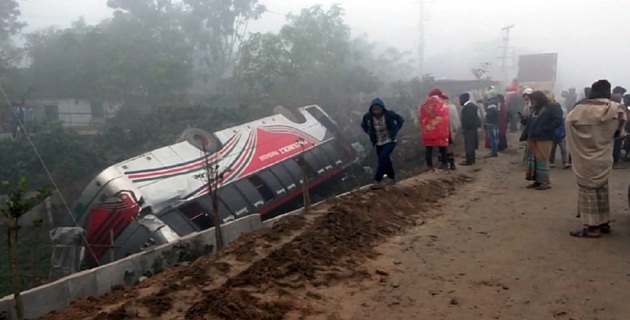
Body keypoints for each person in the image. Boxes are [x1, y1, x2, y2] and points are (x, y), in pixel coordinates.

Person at [566, 80, 627, 238]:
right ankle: (603, 222)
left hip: (585, 158)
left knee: (588, 191)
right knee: (602, 189)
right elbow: (620, 132)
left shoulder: (579, 110)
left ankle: (592, 228)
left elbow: (569, 126)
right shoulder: (617, 110)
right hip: (604, 156)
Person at [519, 90, 563, 190]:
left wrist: (546, 128)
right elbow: (531, 122)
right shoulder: (535, 108)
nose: (532, 101)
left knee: (542, 160)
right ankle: (537, 181)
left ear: (539, 99)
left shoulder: (552, 106)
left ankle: (545, 182)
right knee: (534, 161)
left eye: (533, 99)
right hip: (533, 138)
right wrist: (524, 120)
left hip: (544, 138)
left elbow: (558, 120)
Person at [361, 97, 405, 190]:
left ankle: (378, 180)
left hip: (390, 141)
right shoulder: (368, 117)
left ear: (382, 108)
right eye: (374, 110)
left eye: (378, 109)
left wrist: (395, 130)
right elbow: (363, 125)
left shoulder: (389, 114)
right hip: (378, 142)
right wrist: (369, 132)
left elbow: (400, 120)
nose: (376, 111)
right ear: (371, 110)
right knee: (386, 161)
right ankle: (393, 178)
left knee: (382, 158)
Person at [419, 88, 450, 170]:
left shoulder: (423, 105)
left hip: (428, 130)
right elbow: (445, 118)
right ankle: (445, 165)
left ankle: (429, 166)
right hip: (440, 131)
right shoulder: (442, 105)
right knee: (442, 148)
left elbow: (421, 118)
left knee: (428, 148)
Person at [547, 92, 569, 169]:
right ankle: (560, 162)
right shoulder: (550, 110)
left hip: (557, 132)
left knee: (557, 148)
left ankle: (562, 162)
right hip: (556, 132)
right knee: (558, 148)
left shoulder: (551, 110)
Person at [459, 92, 481, 165]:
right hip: (472, 128)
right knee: (471, 144)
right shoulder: (472, 106)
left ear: (464, 99)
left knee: (469, 144)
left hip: (469, 129)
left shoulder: (468, 107)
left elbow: (468, 119)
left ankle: (469, 160)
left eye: (460, 99)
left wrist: (465, 128)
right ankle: (472, 159)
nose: (459, 101)